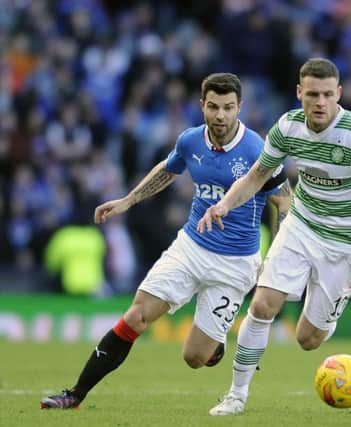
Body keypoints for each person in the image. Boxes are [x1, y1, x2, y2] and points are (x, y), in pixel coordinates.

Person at [40, 73, 291, 409]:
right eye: (213, 106)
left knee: (194, 358)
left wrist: (275, 256)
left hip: (235, 264)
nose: (220, 115)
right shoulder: (190, 140)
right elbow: (168, 169)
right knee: (135, 316)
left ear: (239, 108)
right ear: (202, 105)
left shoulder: (257, 150)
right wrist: (128, 200)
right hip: (191, 246)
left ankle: (212, 344)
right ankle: (75, 394)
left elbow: (283, 202)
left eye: (228, 108)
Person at [198, 58, 351, 416]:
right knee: (262, 306)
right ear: (299, 94)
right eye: (312, 94)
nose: (320, 102)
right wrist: (224, 205)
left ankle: (327, 307)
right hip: (302, 225)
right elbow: (258, 175)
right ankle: (236, 394)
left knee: (308, 340)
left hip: (347, 242)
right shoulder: (288, 127)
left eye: (327, 94)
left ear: (339, 94)